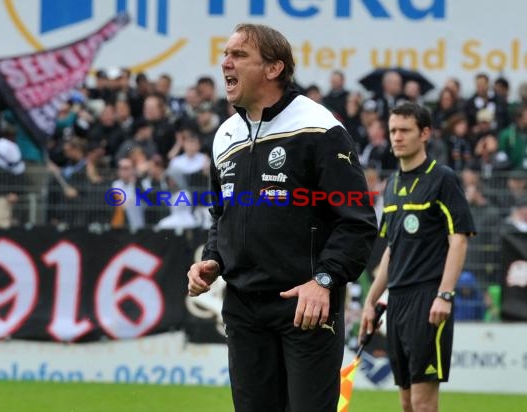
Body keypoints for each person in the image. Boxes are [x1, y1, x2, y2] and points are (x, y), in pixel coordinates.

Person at [187, 23, 377, 412]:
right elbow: (221, 213)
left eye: (239, 55)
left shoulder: (320, 127)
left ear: (274, 68)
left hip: (305, 306)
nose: (225, 63)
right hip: (242, 307)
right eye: (226, 54)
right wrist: (213, 258)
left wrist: (324, 280)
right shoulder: (224, 136)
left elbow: (357, 221)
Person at [360, 103, 476, 412]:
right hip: (396, 303)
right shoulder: (392, 185)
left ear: (425, 133)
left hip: (428, 300)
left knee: (424, 405)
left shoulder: (443, 179)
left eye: (405, 130)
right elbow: (391, 250)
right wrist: (371, 302)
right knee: (407, 403)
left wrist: (445, 294)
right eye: (393, 130)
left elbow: (459, 240)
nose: (396, 137)